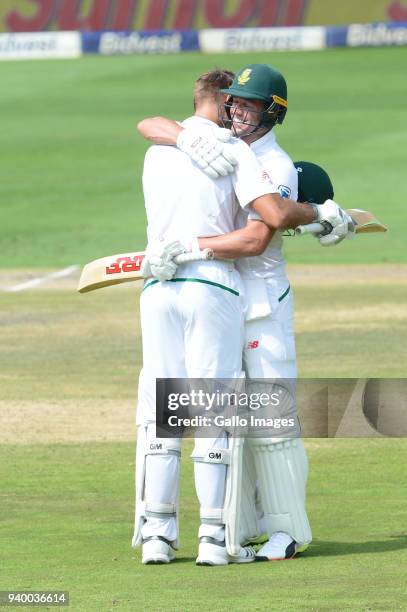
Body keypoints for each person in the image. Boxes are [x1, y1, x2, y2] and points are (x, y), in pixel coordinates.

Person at [135, 68, 351, 565]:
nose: (238, 111)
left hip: (261, 309)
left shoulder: (270, 161)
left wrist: (187, 247)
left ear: (273, 111)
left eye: (250, 106)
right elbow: (150, 124)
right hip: (225, 303)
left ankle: (287, 531)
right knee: (226, 421)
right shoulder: (226, 147)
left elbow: (261, 232)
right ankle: (240, 527)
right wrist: (188, 136)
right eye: (235, 102)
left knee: (271, 426)